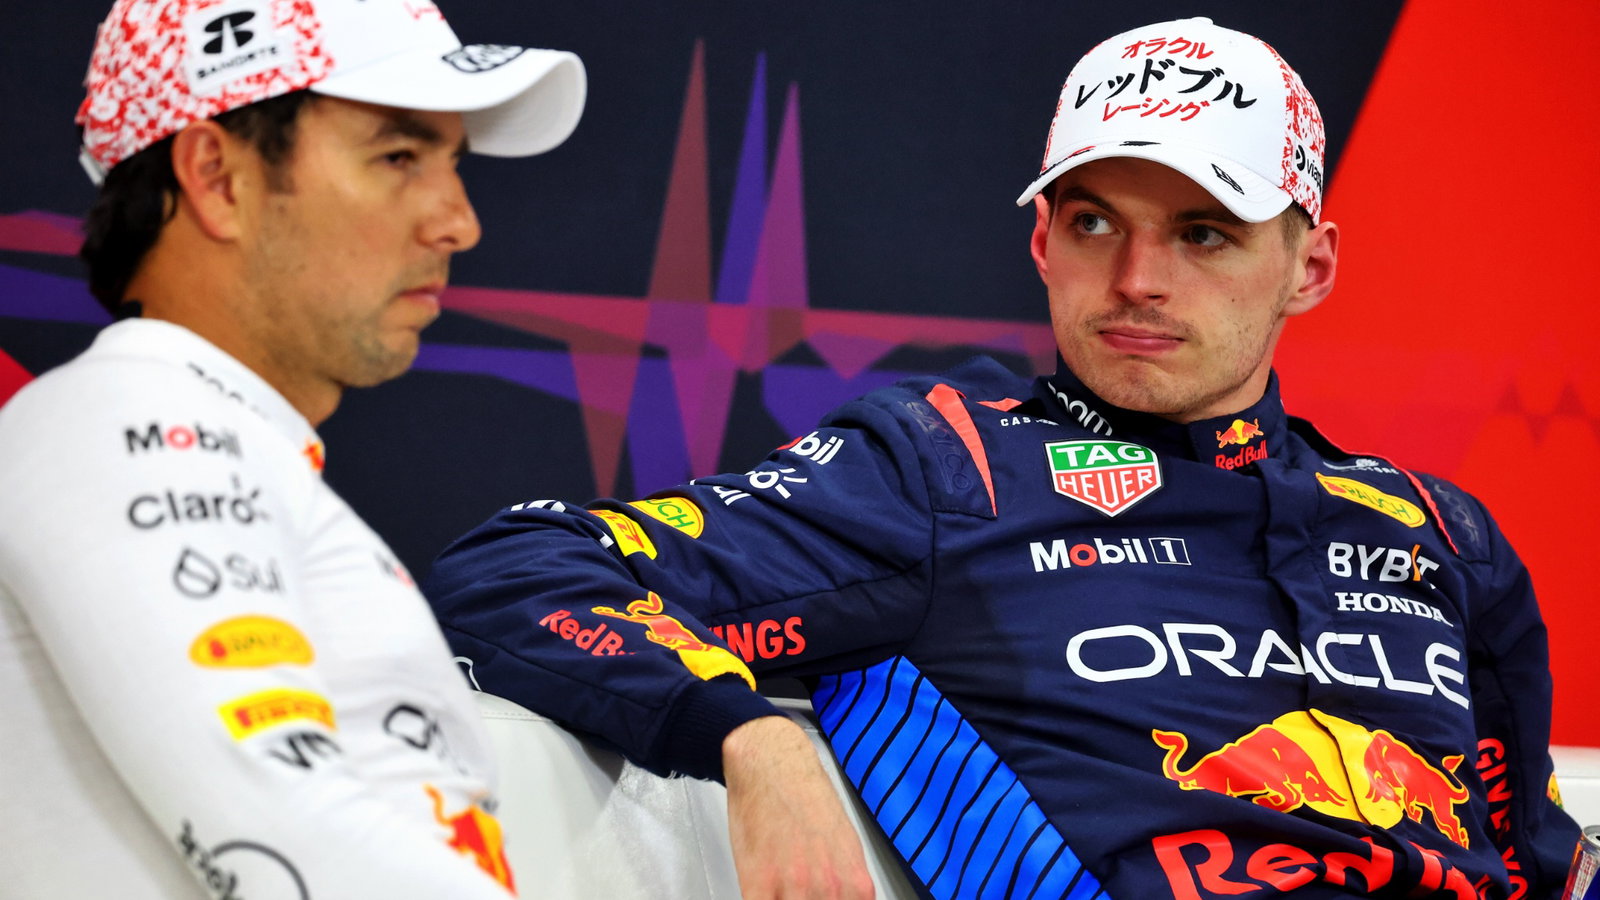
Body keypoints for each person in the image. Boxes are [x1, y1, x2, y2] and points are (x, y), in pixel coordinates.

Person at [423, 17, 1580, 899]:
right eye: (1093, 224)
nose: (1136, 280)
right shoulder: (942, 471)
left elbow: (1536, 860)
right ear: (1040, 241)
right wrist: (748, 739)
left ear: (1310, 267)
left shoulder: (1440, 533)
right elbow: (520, 571)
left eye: (1202, 233)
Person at [0, 0, 585, 897]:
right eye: (398, 157)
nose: (459, 223)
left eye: (453, 163)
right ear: (216, 177)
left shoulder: (202, 440)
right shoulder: (125, 424)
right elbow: (289, 829)